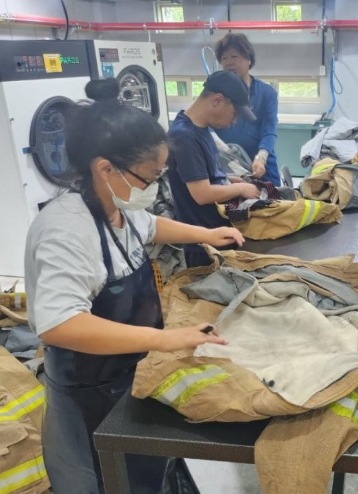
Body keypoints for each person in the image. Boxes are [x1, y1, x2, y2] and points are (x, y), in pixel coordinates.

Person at [25, 78, 243, 494]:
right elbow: (59, 324)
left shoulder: (116, 204)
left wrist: (206, 235)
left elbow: (151, 225)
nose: (155, 186)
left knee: (149, 474)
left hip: (129, 375)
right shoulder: (66, 231)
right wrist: (165, 339)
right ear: (105, 168)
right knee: (106, 481)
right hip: (88, 395)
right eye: (150, 177)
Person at [167, 70, 261, 268]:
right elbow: (201, 194)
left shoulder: (201, 130)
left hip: (220, 234)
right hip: (205, 245)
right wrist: (239, 189)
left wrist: (229, 180)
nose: (234, 121)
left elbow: (203, 175)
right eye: (235, 113)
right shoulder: (184, 137)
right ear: (217, 100)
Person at [213, 33, 281, 186]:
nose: (229, 62)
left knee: (271, 197)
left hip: (261, 165)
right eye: (224, 58)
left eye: (234, 56)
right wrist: (225, 150)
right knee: (233, 199)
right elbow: (205, 124)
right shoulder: (215, 93)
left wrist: (261, 157)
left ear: (248, 59)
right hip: (228, 165)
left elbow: (269, 130)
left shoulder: (266, 93)